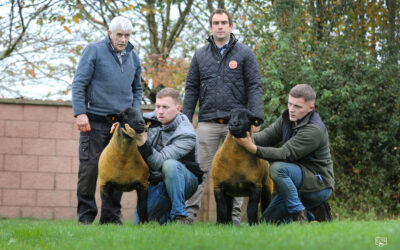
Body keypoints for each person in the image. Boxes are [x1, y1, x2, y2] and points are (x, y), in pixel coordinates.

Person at [183, 8, 263, 225]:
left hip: (236, 126)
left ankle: (234, 219)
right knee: (199, 171)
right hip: (207, 122)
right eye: (216, 23)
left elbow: (254, 85)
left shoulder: (245, 53)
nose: (220, 26)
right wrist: (185, 118)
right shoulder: (200, 54)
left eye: (224, 23)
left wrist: (255, 118)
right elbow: (191, 88)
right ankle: (188, 218)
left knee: (237, 172)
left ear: (231, 26)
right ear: (210, 27)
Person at [72, 16, 142, 225]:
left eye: (127, 35)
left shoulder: (134, 56)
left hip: (120, 126)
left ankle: (110, 218)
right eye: (119, 34)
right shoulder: (93, 50)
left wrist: (134, 113)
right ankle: (85, 218)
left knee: (117, 172)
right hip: (93, 121)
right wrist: (80, 113)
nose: (123, 39)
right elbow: (79, 84)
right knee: (89, 170)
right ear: (110, 33)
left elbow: (137, 89)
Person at [233, 84, 334, 223]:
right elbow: (267, 136)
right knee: (267, 224)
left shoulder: (314, 129)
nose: (291, 109)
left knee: (277, 168)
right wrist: (243, 135)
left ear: (311, 108)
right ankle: (313, 215)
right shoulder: (287, 118)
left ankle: (299, 211)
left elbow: (285, 153)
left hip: (318, 185)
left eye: (297, 106)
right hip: (296, 185)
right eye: (290, 104)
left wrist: (252, 148)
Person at [133, 88, 202, 225]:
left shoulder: (186, 133)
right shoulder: (150, 118)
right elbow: (131, 120)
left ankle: (179, 216)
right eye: (157, 106)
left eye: (165, 107)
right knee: (139, 224)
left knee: (169, 164)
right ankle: (166, 217)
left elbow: (159, 163)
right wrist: (120, 127)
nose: (160, 111)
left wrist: (142, 142)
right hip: (156, 180)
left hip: (186, 180)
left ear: (178, 108)